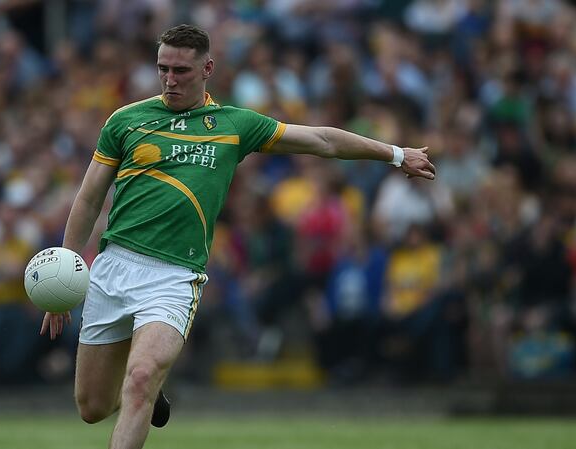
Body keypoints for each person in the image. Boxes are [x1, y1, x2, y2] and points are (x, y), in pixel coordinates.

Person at [40, 24, 436, 449]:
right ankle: (150, 391)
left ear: (208, 68)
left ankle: (147, 384)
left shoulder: (234, 125)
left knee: (138, 380)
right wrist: (65, 270)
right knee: (93, 407)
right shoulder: (126, 120)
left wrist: (396, 155)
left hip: (174, 276)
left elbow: (321, 140)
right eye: (163, 69)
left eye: (182, 71)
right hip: (114, 266)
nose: (170, 80)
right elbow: (87, 199)